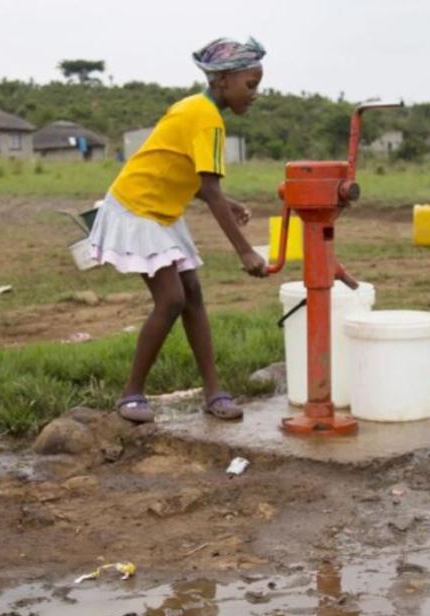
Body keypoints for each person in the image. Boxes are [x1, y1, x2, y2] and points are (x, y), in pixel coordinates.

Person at [81, 37, 268, 423]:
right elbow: (211, 192)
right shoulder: (207, 118)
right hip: (138, 209)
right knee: (171, 300)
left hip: (161, 210)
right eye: (250, 85)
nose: (255, 94)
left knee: (193, 294)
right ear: (222, 81)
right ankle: (131, 394)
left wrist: (226, 202)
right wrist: (246, 251)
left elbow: (188, 176)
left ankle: (214, 392)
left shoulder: (197, 108)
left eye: (257, 85)